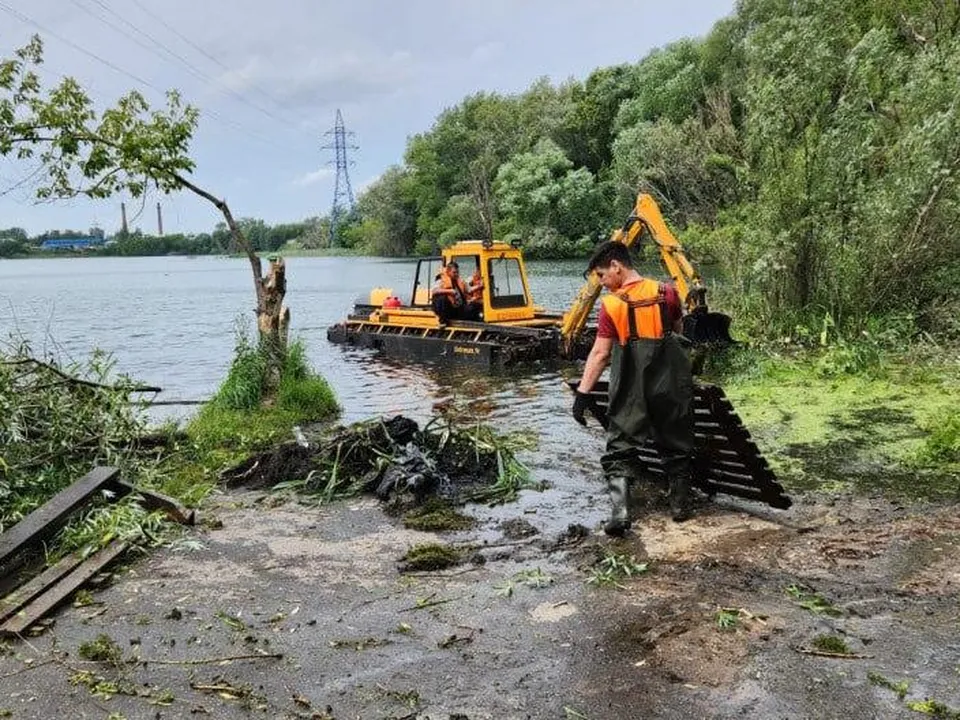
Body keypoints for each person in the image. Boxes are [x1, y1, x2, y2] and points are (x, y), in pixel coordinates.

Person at [571, 240, 695, 536]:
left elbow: (600, 354)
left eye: (602, 275)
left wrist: (583, 395)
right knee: (675, 441)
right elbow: (677, 332)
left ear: (616, 266)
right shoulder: (666, 293)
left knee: (619, 448)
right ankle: (679, 507)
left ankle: (622, 513)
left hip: (632, 388)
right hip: (670, 385)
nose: (602, 283)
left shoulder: (611, 306)